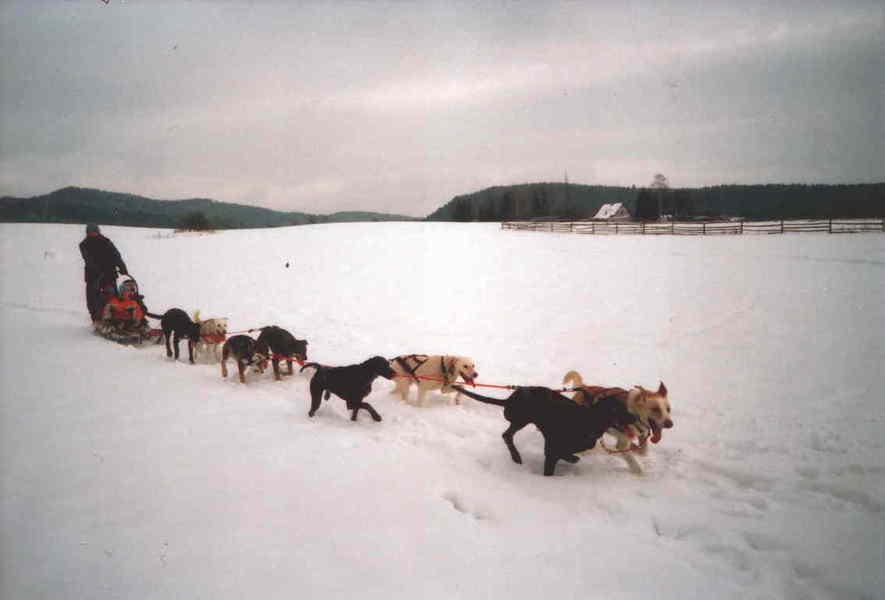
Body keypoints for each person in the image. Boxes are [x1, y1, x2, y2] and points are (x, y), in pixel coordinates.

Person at [79, 224, 129, 323]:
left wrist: (122, 267)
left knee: (112, 297)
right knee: (92, 299)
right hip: (93, 276)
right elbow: (88, 260)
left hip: (109, 273)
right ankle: (96, 319)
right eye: (91, 232)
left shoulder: (106, 242)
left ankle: (115, 318)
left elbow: (116, 255)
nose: (93, 234)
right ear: (87, 233)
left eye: (94, 232)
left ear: (98, 232)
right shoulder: (83, 244)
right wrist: (98, 269)